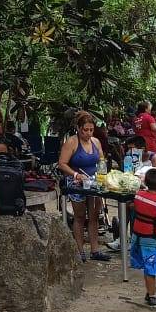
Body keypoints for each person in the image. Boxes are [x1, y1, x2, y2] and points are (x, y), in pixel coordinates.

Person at [58, 111, 108, 262]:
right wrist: (75, 175)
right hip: (76, 182)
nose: (88, 133)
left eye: (91, 130)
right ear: (79, 129)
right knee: (79, 216)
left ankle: (95, 250)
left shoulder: (96, 142)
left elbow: (101, 160)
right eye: (85, 130)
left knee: (94, 216)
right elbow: (62, 163)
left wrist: (103, 174)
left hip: (93, 181)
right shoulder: (72, 142)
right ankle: (79, 251)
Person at [130, 168, 156, 307]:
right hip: (152, 240)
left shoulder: (138, 196)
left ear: (146, 183)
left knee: (147, 267)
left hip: (137, 237)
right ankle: (152, 297)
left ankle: (150, 291)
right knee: (151, 269)